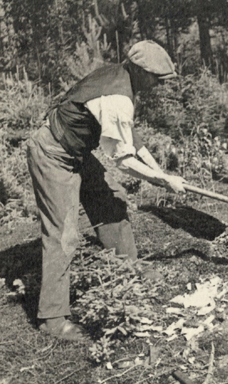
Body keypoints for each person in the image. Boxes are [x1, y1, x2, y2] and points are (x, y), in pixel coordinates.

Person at [27, 40, 187, 341]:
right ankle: (52, 318)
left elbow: (132, 140)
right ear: (139, 70)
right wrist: (161, 180)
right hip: (52, 153)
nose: (157, 85)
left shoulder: (121, 77)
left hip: (75, 151)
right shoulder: (117, 96)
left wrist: (161, 172)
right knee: (64, 233)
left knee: (111, 198)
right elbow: (124, 161)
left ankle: (128, 269)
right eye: (155, 78)